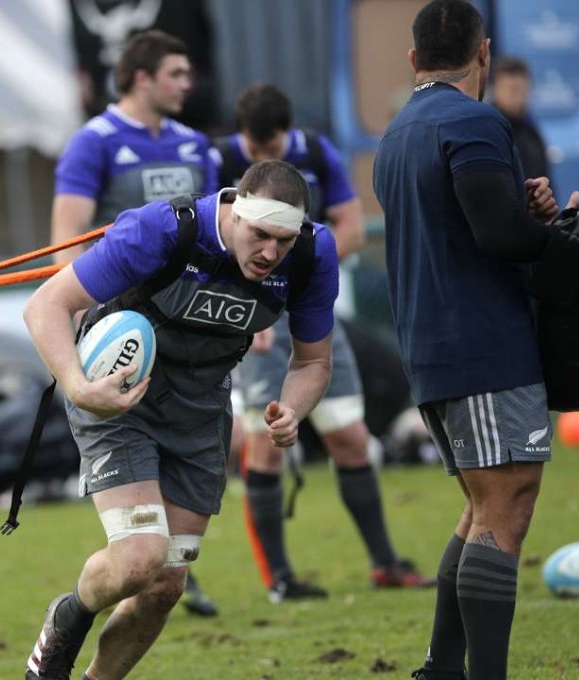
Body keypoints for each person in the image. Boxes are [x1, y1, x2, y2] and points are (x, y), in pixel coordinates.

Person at [23, 159, 339, 680]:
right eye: (260, 235)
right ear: (235, 212)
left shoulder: (312, 253)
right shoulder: (163, 230)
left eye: (282, 241)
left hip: (199, 408)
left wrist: (294, 410)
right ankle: (68, 616)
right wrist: (81, 388)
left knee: (166, 585)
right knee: (139, 558)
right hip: (119, 399)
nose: (270, 253)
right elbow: (45, 306)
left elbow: (312, 361)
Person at [372, 3, 579, 678]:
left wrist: (526, 211)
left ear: (413, 61)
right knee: (505, 508)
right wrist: (562, 234)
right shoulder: (474, 119)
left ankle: (441, 668)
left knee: (479, 510)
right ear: (483, 53)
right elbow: (500, 237)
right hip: (483, 348)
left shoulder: (399, 131)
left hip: (432, 351)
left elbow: (471, 221)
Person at [218, 83, 435, 601]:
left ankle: (384, 563)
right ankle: (279, 579)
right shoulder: (219, 157)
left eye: (270, 151)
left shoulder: (316, 152)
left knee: (352, 437)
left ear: (287, 136)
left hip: (314, 320)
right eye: (253, 153)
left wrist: (305, 279)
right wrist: (254, 303)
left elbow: (353, 228)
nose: (261, 163)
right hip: (258, 323)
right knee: (265, 445)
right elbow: (217, 237)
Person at [51, 28, 220, 617]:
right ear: (142, 77)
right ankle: (133, 564)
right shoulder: (92, 143)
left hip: (190, 339)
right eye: (175, 72)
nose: (187, 83)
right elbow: (63, 251)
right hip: (122, 330)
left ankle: (171, 566)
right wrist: (77, 335)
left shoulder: (198, 146)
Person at [491, 56, 551, 183]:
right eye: (511, 89)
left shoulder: (532, 131)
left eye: (521, 89)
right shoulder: (487, 129)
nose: (517, 96)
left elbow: (545, 179)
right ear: (496, 90)